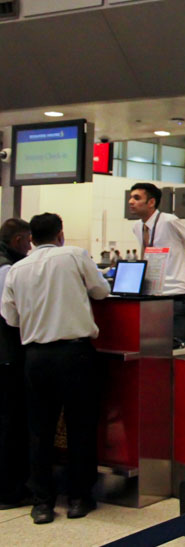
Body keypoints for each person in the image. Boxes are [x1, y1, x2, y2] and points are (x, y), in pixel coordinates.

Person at [2, 213, 111, 524]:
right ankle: (79, 498)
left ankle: (42, 503)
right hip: (74, 354)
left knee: (39, 431)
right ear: (60, 234)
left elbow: (11, 317)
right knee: (80, 428)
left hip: (35, 358)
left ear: (31, 238)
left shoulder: (17, 268)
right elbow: (101, 292)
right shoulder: (75, 255)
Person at [127, 183, 185, 343]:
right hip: (152, 297)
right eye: (131, 197)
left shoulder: (169, 221)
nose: (131, 201)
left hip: (175, 296)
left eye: (136, 198)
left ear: (151, 202)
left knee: (181, 350)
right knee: (155, 350)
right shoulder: (137, 227)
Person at [0, 218, 32, 510]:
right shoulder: (7, 269)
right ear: (19, 240)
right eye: (28, 241)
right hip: (8, 357)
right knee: (12, 425)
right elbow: (14, 316)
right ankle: (11, 491)